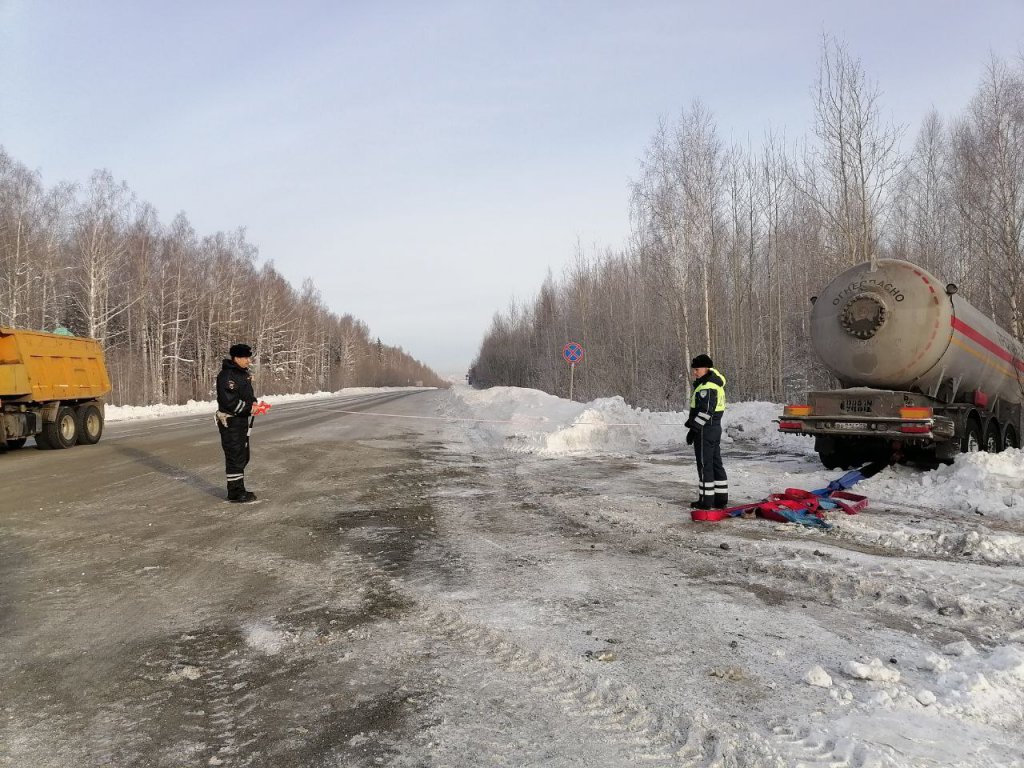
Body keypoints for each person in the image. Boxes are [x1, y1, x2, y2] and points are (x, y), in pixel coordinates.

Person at [216, 343, 259, 503]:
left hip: (241, 420)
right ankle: (235, 492)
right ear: (236, 358)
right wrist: (249, 408)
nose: (248, 361)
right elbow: (229, 402)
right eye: (246, 357)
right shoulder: (227, 376)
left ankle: (239, 488)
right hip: (231, 421)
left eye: (249, 357)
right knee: (235, 456)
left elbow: (247, 395)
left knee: (242, 456)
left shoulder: (242, 374)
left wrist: (254, 404)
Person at [685, 354, 728, 510]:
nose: (695, 373)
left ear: (706, 368)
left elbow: (705, 412)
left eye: (697, 369)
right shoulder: (714, 384)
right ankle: (720, 499)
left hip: (705, 430)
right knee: (716, 463)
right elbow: (706, 410)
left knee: (704, 465)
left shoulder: (708, 386)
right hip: (713, 428)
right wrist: (691, 421)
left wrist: (693, 430)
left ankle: (706, 501)